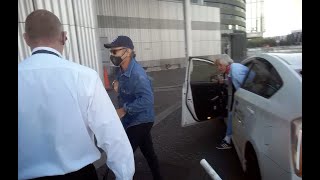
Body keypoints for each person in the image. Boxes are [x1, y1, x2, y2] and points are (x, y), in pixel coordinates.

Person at [18, 10, 134, 180]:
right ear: (64, 37)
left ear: (26, 38)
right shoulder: (85, 77)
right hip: (79, 174)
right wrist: (124, 175)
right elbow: (112, 134)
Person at [104, 36, 162, 180]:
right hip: (132, 119)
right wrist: (117, 85)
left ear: (128, 52)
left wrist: (123, 110)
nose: (112, 55)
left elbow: (147, 100)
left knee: (123, 155)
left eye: (115, 51)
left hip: (141, 120)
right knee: (148, 152)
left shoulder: (138, 74)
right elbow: (125, 86)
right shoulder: (122, 70)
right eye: (111, 52)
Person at [214, 54, 250, 150]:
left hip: (245, 100)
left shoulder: (235, 71)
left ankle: (228, 140)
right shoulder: (231, 69)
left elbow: (246, 88)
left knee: (231, 115)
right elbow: (231, 82)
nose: (218, 68)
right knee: (230, 114)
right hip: (238, 98)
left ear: (226, 64)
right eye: (217, 65)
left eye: (219, 65)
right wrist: (224, 81)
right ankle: (228, 139)